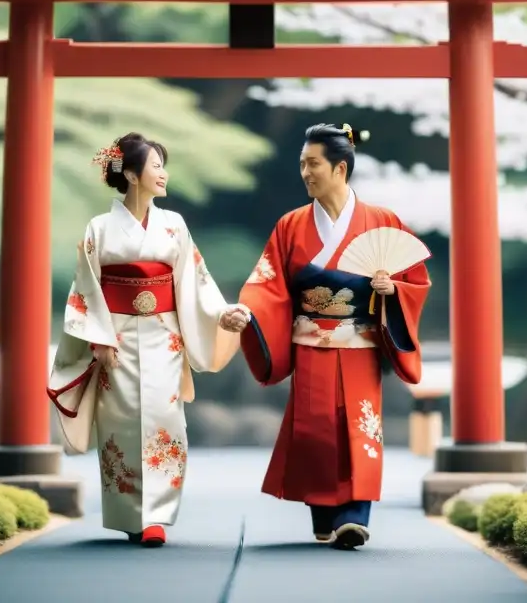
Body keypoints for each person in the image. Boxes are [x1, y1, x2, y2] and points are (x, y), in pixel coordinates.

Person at [47, 132, 250, 548]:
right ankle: (129, 513)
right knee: (120, 425)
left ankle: (156, 515)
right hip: (115, 338)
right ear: (133, 175)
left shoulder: (174, 225)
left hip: (164, 335)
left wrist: (220, 312)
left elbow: (195, 280)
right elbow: (85, 287)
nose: (164, 174)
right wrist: (98, 338)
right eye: (157, 166)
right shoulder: (99, 229)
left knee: (164, 420)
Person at [236, 123, 431, 550]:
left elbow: (414, 279)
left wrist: (393, 290)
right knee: (315, 429)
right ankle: (324, 514)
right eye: (302, 164)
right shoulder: (291, 225)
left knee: (361, 428)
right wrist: (250, 313)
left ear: (340, 168)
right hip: (311, 344)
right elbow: (267, 285)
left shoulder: (383, 221)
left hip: (359, 344)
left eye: (313, 164)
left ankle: (355, 516)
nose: (305, 172)